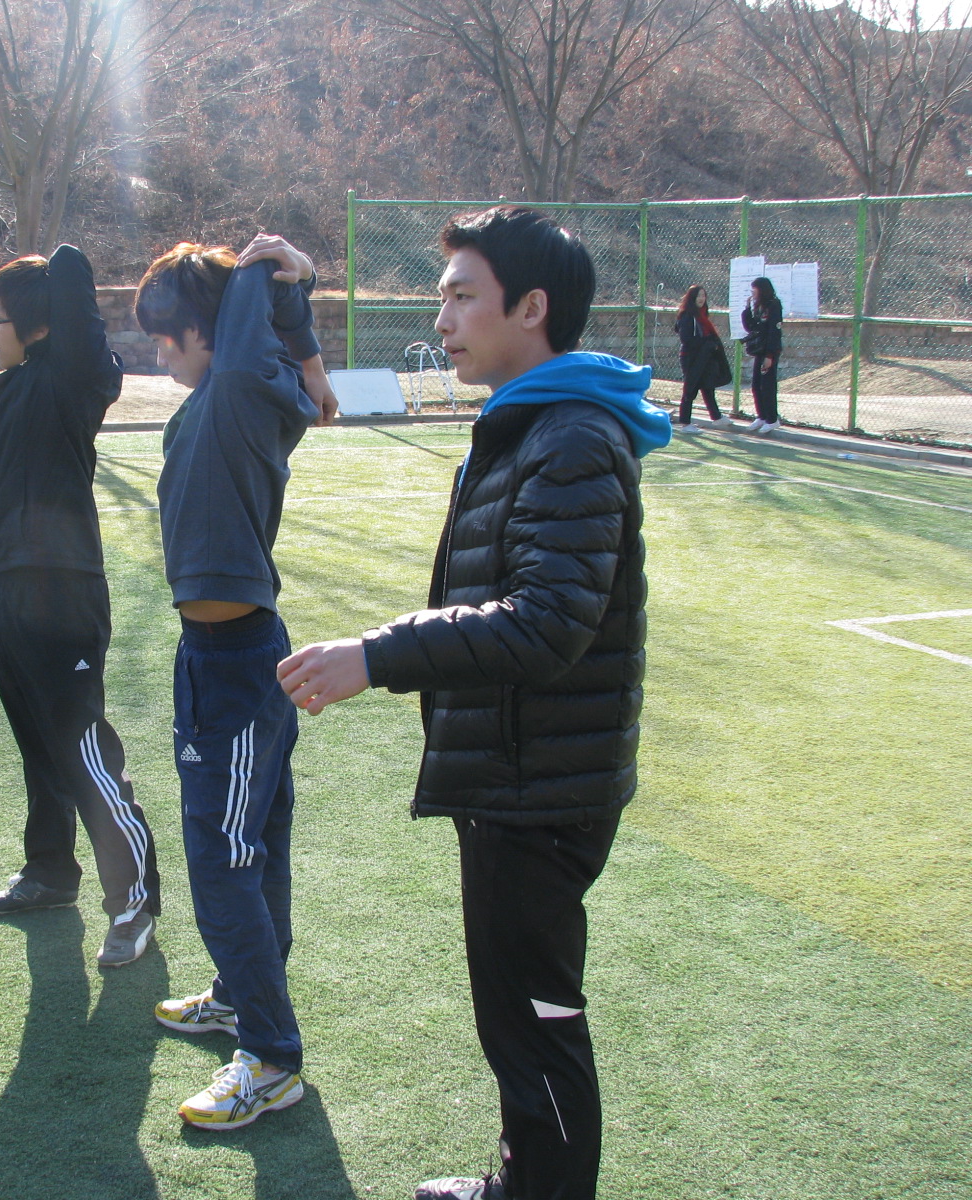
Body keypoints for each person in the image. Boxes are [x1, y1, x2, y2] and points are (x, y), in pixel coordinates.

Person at [276, 207, 670, 1200]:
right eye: (440, 296)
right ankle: (518, 1183)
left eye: (461, 296)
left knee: (537, 1026)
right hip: (519, 775)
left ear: (531, 308)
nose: (441, 318)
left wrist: (377, 656)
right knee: (517, 1019)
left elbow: (546, 624)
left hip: (538, 789)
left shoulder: (570, 438)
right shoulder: (533, 425)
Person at [135, 232, 336, 1130]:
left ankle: (272, 1056)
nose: (158, 355)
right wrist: (301, 316)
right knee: (254, 843)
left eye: (164, 338)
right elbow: (304, 377)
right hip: (211, 656)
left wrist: (278, 271)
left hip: (239, 660)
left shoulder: (243, 390)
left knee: (222, 863)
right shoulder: (233, 393)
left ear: (204, 331)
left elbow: (255, 283)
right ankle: (240, 995)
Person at [0, 244, 163, 967]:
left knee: (82, 749)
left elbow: (76, 280)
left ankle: (134, 900)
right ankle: (50, 871)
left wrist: (53, 266)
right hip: (9, 590)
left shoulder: (73, 382)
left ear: (37, 324)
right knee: (38, 746)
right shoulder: (0, 394)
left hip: (66, 595)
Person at [673, 284, 727, 431]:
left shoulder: (702, 315)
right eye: (698, 296)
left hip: (704, 357)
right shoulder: (687, 316)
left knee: (708, 385)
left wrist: (711, 345)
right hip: (691, 357)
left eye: (703, 295)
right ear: (692, 298)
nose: (701, 299)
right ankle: (685, 423)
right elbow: (687, 339)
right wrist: (707, 344)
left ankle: (717, 417)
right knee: (690, 388)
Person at [741, 275, 783, 433]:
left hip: (769, 351)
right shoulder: (759, 306)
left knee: (767, 386)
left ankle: (772, 419)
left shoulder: (774, 305)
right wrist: (747, 310)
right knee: (756, 385)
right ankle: (762, 416)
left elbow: (774, 331)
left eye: (755, 290)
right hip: (759, 350)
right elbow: (751, 327)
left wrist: (770, 355)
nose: (753, 293)